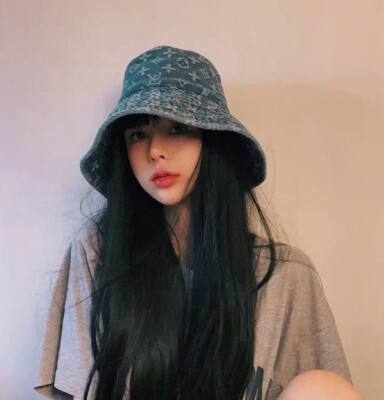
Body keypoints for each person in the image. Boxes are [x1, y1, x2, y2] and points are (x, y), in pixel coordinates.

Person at [33, 45, 363, 400]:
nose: (155, 151)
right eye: (138, 135)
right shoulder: (99, 253)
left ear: (213, 142)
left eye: (177, 128)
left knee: (323, 388)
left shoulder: (286, 275)